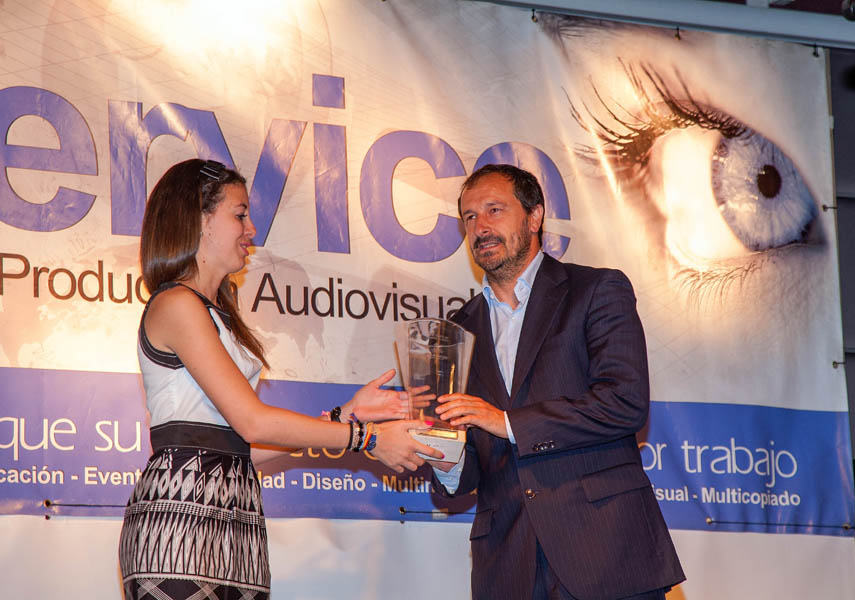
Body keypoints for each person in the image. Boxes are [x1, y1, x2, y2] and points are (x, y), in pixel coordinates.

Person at [118, 158, 441, 600]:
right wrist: (366, 437)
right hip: (179, 522)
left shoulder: (217, 315)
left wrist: (344, 414)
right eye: (240, 215)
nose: (251, 230)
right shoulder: (176, 304)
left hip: (237, 524)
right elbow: (253, 422)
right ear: (200, 220)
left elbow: (241, 449)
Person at [430, 164, 685, 600]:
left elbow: (624, 402)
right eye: (469, 217)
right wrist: (439, 450)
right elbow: (467, 467)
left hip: (605, 550)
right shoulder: (456, 331)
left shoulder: (596, 290)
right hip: (508, 566)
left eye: (494, 210)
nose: (480, 227)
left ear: (534, 217)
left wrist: (505, 422)